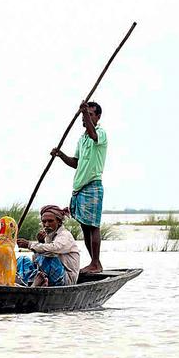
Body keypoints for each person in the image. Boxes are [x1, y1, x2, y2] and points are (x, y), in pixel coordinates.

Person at [51, 100, 107, 273]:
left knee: (93, 226)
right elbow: (76, 162)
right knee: (84, 226)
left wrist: (83, 112)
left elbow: (93, 134)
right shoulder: (82, 139)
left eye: (90, 115)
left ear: (98, 117)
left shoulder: (100, 133)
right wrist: (60, 155)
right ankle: (93, 262)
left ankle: (96, 263)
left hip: (92, 184)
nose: (86, 118)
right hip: (79, 187)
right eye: (85, 114)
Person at [16, 204, 81, 286]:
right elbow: (37, 261)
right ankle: (32, 283)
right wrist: (41, 242)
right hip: (46, 274)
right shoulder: (48, 236)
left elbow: (53, 249)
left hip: (66, 279)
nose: (46, 225)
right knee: (22, 260)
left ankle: (36, 283)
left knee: (48, 257)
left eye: (50, 221)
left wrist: (29, 244)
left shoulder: (65, 235)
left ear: (59, 221)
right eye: (44, 221)